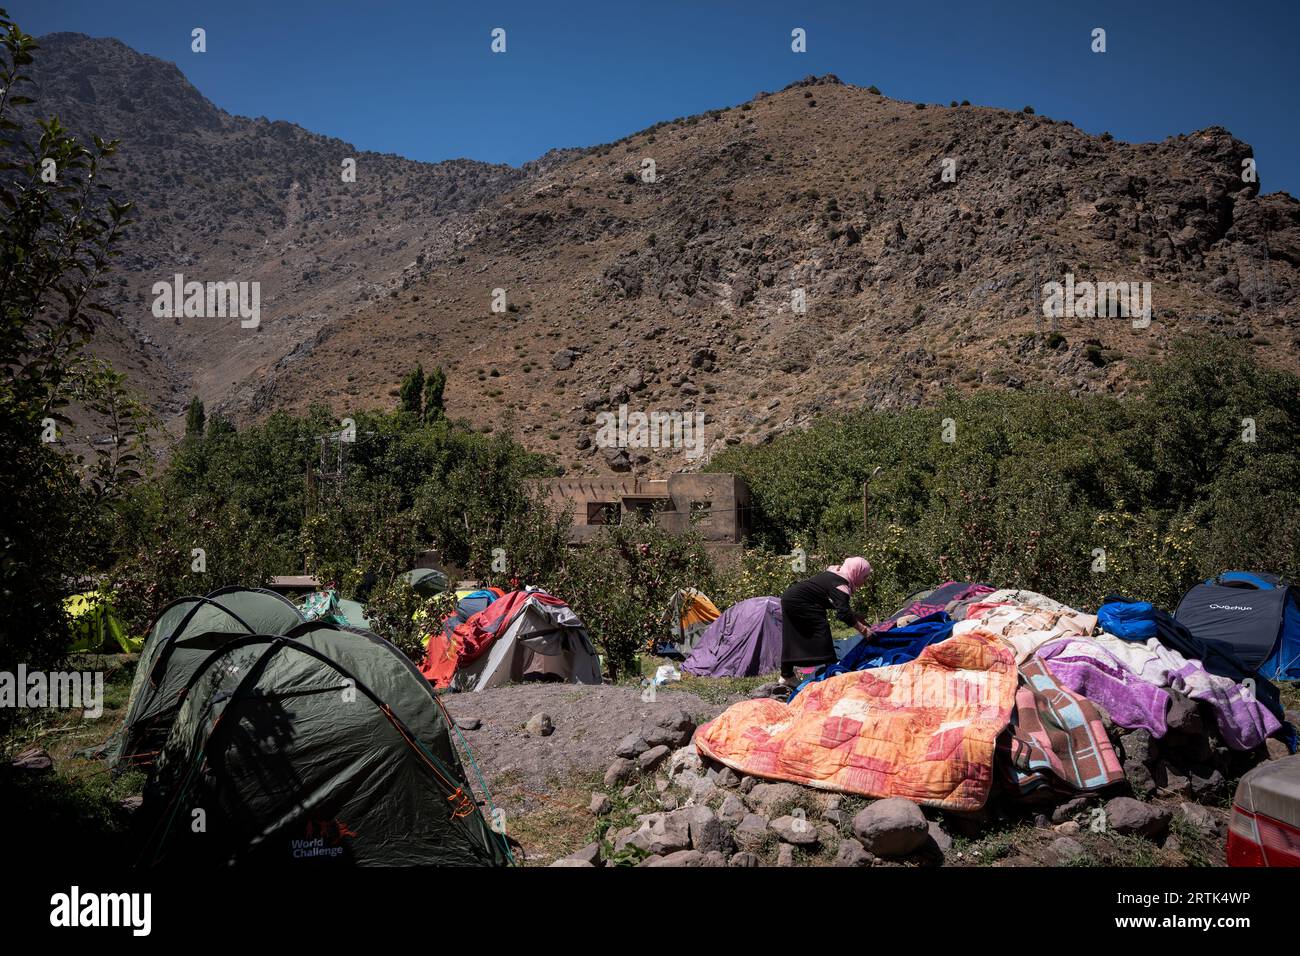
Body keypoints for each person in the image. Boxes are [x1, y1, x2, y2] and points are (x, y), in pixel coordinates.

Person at [778, 557, 872, 690]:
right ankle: (832, 669)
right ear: (856, 572)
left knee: (791, 636)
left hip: (790, 597)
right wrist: (864, 630)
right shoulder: (841, 585)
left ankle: (786, 675)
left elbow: (839, 606)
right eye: (864, 577)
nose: (865, 582)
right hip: (801, 602)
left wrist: (856, 617)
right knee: (821, 631)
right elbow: (843, 614)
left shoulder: (837, 574)